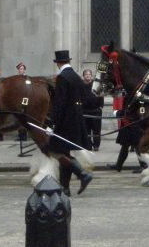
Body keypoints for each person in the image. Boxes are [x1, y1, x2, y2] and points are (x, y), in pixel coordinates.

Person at [46, 50, 93, 195]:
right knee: (64, 152)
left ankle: (82, 174)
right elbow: (85, 98)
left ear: (59, 63)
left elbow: (59, 103)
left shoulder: (62, 78)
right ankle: (64, 188)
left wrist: (52, 124)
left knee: (55, 151)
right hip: (76, 120)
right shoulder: (75, 76)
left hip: (64, 122)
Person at [107, 94, 148, 173]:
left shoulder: (134, 96)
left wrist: (118, 113)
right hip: (128, 124)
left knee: (137, 146)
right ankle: (118, 166)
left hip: (133, 124)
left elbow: (130, 111)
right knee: (125, 146)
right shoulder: (130, 95)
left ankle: (144, 165)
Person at [82, 69, 104, 151]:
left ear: (91, 76)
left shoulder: (96, 85)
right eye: (86, 74)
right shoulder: (81, 86)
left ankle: (96, 145)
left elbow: (101, 96)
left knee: (96, 130)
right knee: (86, 130)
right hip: (85, 112)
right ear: (83, 76)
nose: (88, 76)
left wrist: (101, 107)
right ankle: (88, 145)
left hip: (96, 111)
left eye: (89, 74)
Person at [15, 63, 28, 141]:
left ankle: (24, 136)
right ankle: (20, 135)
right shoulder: (16, 78)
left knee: (24, 117)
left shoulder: (26, 78)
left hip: (24, 99)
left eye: (22, 69)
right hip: (18, 99)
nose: (21, 70)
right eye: (20, 69)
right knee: (18, 118)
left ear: (24, 70)